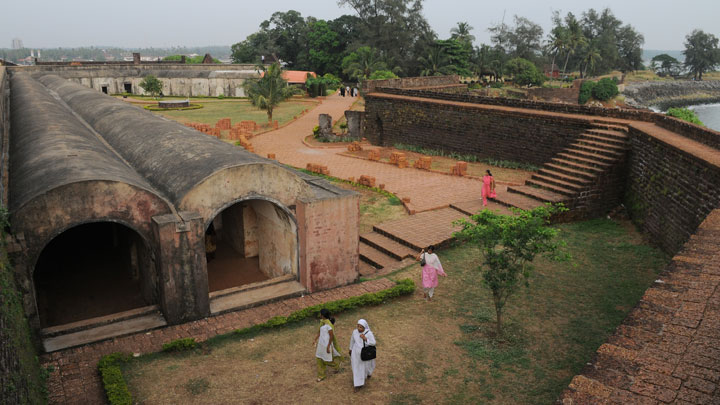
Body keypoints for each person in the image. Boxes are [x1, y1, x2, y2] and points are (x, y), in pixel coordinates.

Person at [313, 309, 341, 382]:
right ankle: (321, 375)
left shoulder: (329, 325)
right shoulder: (322, 323)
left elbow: (331, 336)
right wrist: (315, 339)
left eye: (320, 314)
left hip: (326, 345)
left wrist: (328, 346)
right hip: (320, 345)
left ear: (322, 315)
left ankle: (336, 366)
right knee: (319, 359)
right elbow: (319, 332)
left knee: (327, 361)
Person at [349, 319, 376, 391]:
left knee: (365, 366)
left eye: (361, 327)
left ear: (364, 327)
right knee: (357, 368)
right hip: (355, 353)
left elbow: (373, 343)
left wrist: (365, 339)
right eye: (358, 326)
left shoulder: (368, 333)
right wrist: (350, 349)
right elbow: (352, 341)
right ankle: (358, 384)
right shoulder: (354, 332)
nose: (359, 328)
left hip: (365, 353)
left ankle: (368, 373)